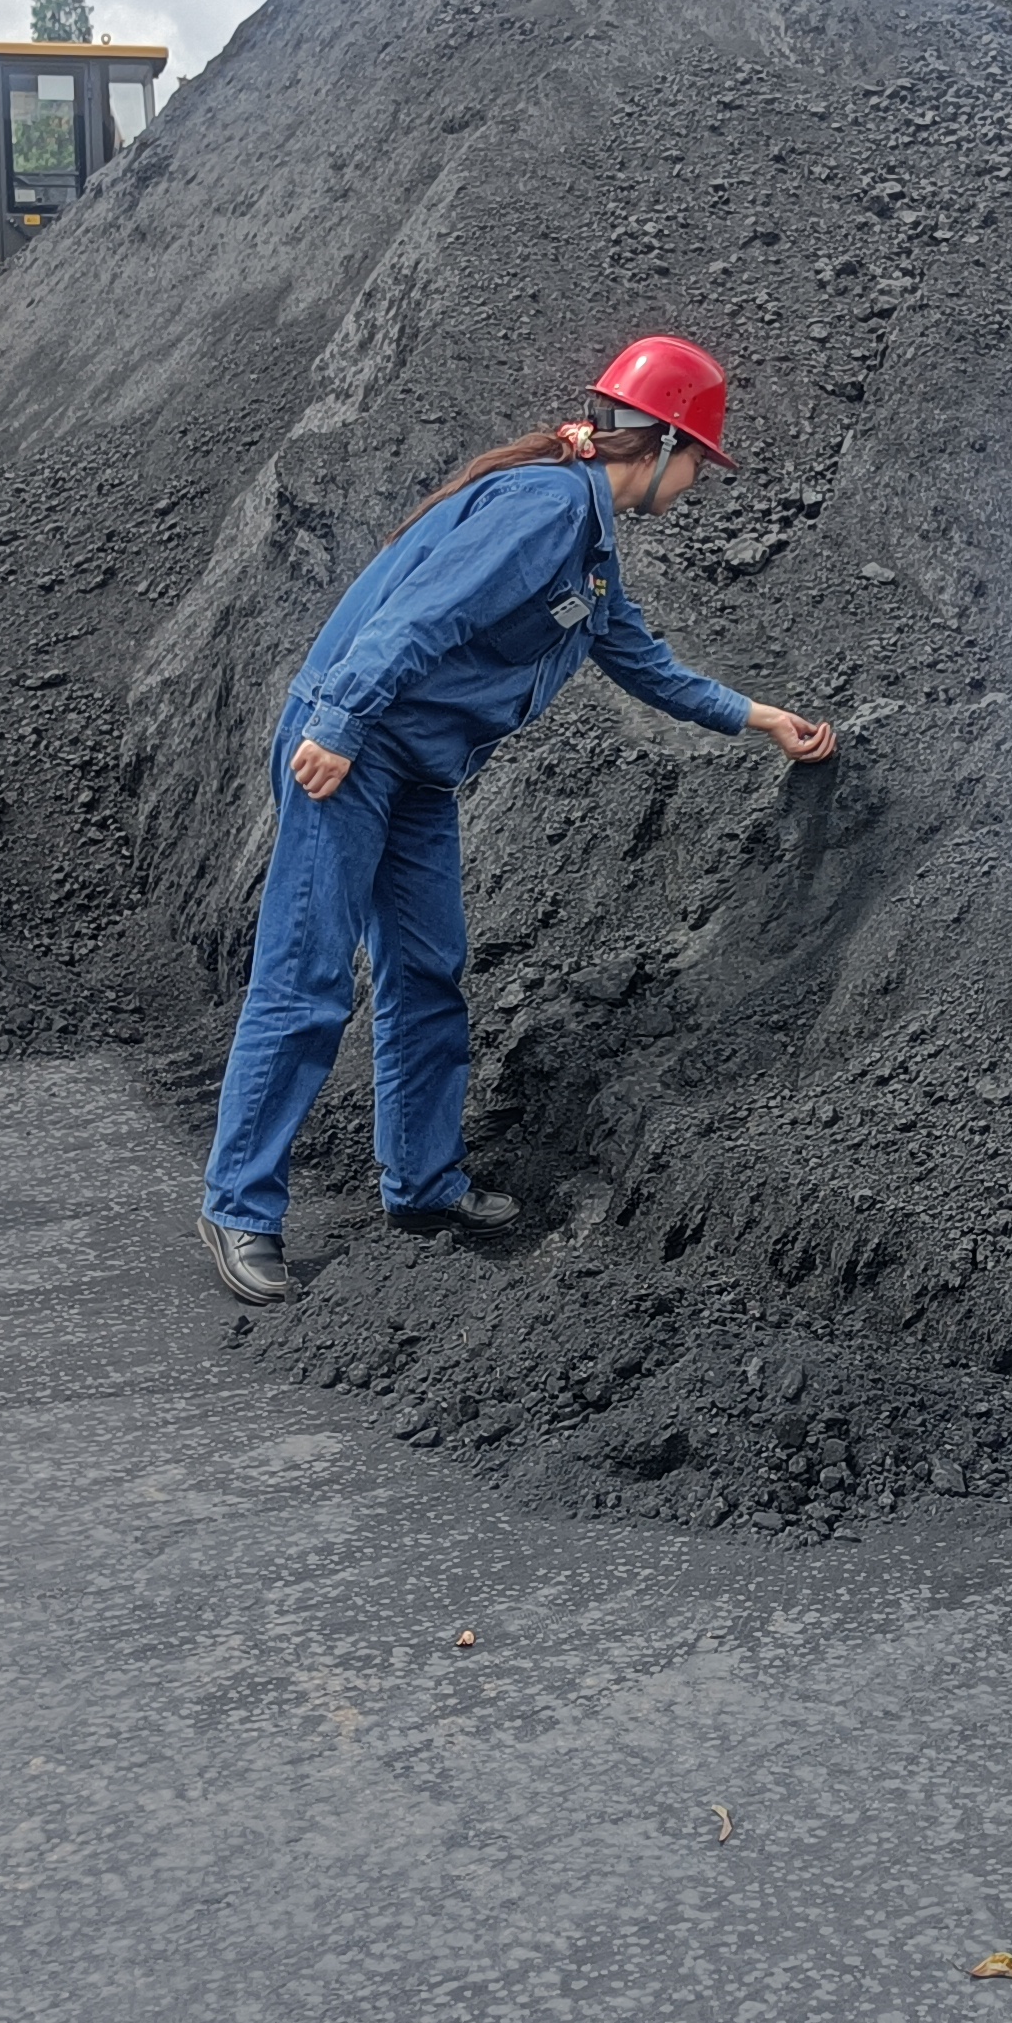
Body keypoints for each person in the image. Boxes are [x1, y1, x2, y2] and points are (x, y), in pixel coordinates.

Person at [199, 336, 838, 1305]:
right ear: (660, 443)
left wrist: (757, 718)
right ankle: (238, 1207)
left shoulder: (583, 542)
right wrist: (337, 723)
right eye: (702, 462)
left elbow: (638, 659)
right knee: (308, 976)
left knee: (426, 971)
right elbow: (419, 616)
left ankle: (421, 1188)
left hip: (413, 768)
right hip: (353, 748)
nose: (699, 484)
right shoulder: (542, 510)